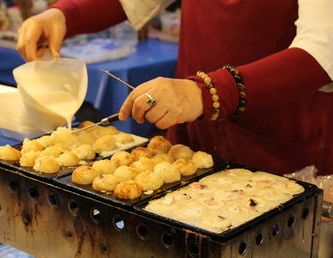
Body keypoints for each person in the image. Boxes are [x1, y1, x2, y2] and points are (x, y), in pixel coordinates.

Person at [17, 0, 333, 176]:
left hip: (280, 144)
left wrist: (206, 93)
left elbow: (322, 52)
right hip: (195, 137)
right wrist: (65, 14)